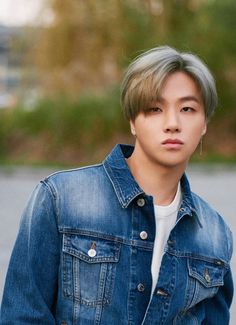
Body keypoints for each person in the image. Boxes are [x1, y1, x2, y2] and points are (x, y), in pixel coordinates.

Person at [0, 46, 233, 325]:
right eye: (155, 109)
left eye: (187, 109)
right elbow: (22, 316)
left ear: (204, 123)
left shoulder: (215, 236)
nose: (173, 123)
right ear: (133, 121)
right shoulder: (61, 199)